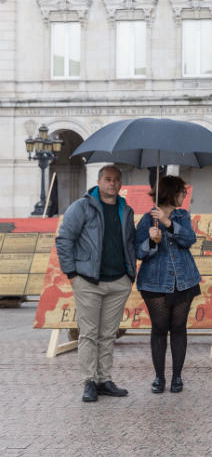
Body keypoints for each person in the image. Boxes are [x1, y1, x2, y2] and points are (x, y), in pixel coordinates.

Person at [55, 165, 136, 402]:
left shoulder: (126, 210)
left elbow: (130, 243)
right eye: (108, 179)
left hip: (118, 280)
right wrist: (71, 273)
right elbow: (64, 240)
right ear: (99, 181)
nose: (113, 183)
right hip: (88, 280)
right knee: (89, 333)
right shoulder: (82, 207)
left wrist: (130, 274)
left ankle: (104, 379)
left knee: (108, 334)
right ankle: (89, 381)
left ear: (121, 184)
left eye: (117, 180)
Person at [135, 176, 201, 394]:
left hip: (183, 281)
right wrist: (150, 241)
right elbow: (138, 252)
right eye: (182, 191)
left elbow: (189, 239)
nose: (185, 195)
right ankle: (159, 377)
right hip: (155, 282)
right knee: (160, 328)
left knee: (179, 328)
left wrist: (168, 223)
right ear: (171, 193)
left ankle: (177, 377)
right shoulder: (147, 219)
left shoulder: (182, 215)